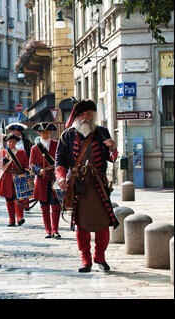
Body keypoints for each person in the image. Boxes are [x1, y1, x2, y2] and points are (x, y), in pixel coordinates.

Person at [55, 99, 119, 273]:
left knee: (103, 225)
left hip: (99, 186)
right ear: (76, 116)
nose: (85, 117)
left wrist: (113, 148)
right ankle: (86, 259)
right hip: (79, 187)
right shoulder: (67, 135)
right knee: (81, 225)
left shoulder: (102, 132)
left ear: (93, 115)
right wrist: (61, 178)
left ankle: (100, 257)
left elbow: (112, 158)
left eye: (88, 114)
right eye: (82, 114)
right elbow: (59, 161)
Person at [29, 122, 61, 239]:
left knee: (56, 204)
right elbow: (31, 164)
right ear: (39, 133)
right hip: (42, 179)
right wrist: (38, 170)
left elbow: (61, 160)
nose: (45, 134)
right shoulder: (34, 148)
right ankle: (48, 230)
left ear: (50, 132)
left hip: (55, 177)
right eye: (43, 132)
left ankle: (55, 230)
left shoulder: (57, 145)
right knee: (44, 204)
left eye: (47, 132)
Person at [0, 133, 29, 227]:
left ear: (16, 142)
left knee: (19, 198)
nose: (11, 143)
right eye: (9, 141)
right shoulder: (1, 152)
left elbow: (26, 165)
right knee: (9, 199)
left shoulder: (22, 152)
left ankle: (19, 217)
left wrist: (26, 173)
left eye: (13, 141)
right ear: (6, 142)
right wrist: (4, 160)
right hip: (7, 178)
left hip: (18, 177)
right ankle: (11, 220)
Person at [5, 122, 33, 211]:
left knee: (25, 187)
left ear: (20, 131)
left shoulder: (27, 142)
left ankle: (26, 205)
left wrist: (28, 167)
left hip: (23, 167)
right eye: (13, 130)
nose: (14, 132)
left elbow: (30, 155)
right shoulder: (8, 142)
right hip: (10, 170)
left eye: (16, 130)